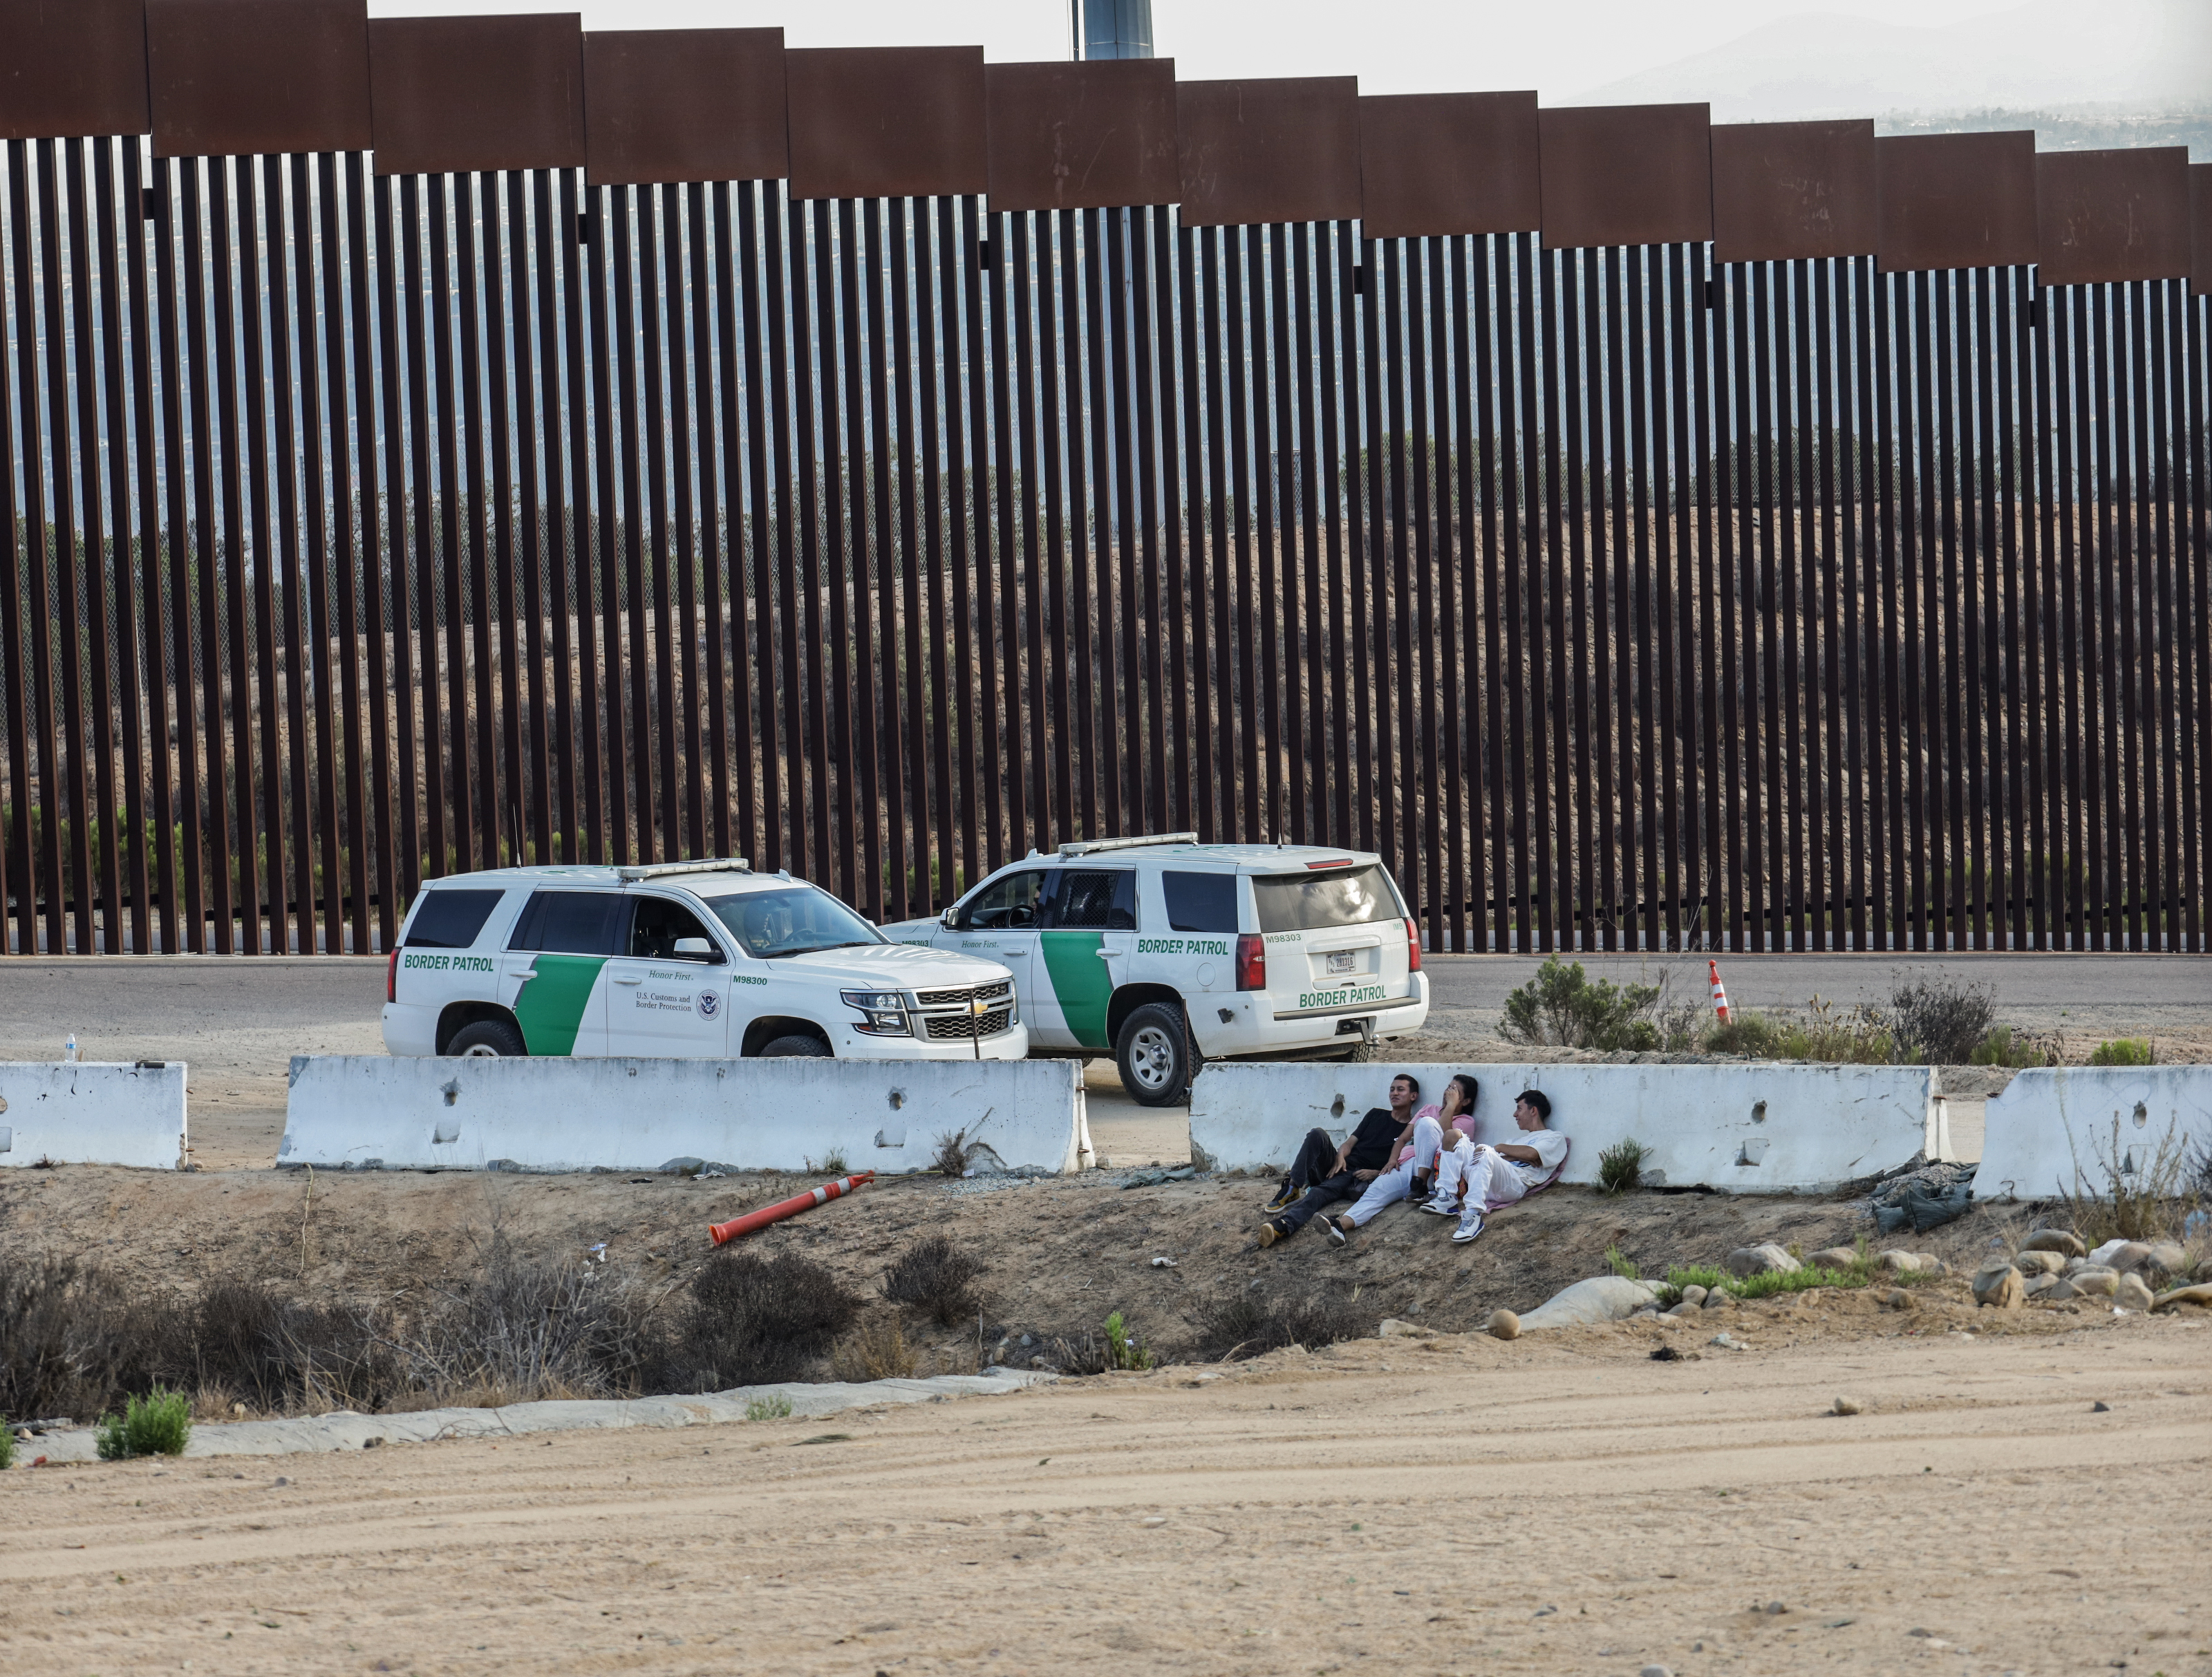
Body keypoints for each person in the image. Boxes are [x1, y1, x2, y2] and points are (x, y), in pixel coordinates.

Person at [1256, 1073, 1421, 1248]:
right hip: (1339, 1165)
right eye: (1392, 1089)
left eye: (1400, 1090)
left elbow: (1401, 1164)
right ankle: (1293, 1186)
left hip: (1356, 1176)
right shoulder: (1376, 1114)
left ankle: (1281, 1227)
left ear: (1413, 1096)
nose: (1394, 1093)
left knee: (1318, 1193)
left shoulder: (1411, 1130)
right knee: (1317, 1134)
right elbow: (1350, 1142)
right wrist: (1340, 1156)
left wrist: (1375, 1173)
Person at [1319, 1073, 1480, 1246]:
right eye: (1448, 1087)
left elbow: (1447, 1137)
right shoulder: (1428, 1109)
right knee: (1377, 1191)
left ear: (1465, 1101)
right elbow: (1402, 1139)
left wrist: (1450, 1106)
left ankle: (1421, 1186)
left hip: (1437, 1170)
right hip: (1409, 1164)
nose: (1448, 1093)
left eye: (1454, 1090)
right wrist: (1392, 1160)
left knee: (1427, 1124)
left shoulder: (1467, 1121)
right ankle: (1341, 1226)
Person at [1430, 1087, 1566, 1244]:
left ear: (1533, 1110)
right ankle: (1446, 1196)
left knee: (1485, 1150)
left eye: (1519, 1109)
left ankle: (1473, 1216)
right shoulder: (1514, 1142)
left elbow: (1532, 1155)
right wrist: (1514, 1153)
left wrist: (1501, 1148)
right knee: (1452, 1135)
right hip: (1487, 1181)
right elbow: (1495, 1158)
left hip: (1514, 1184)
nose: (1515, 1114)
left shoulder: (1553, 1137)